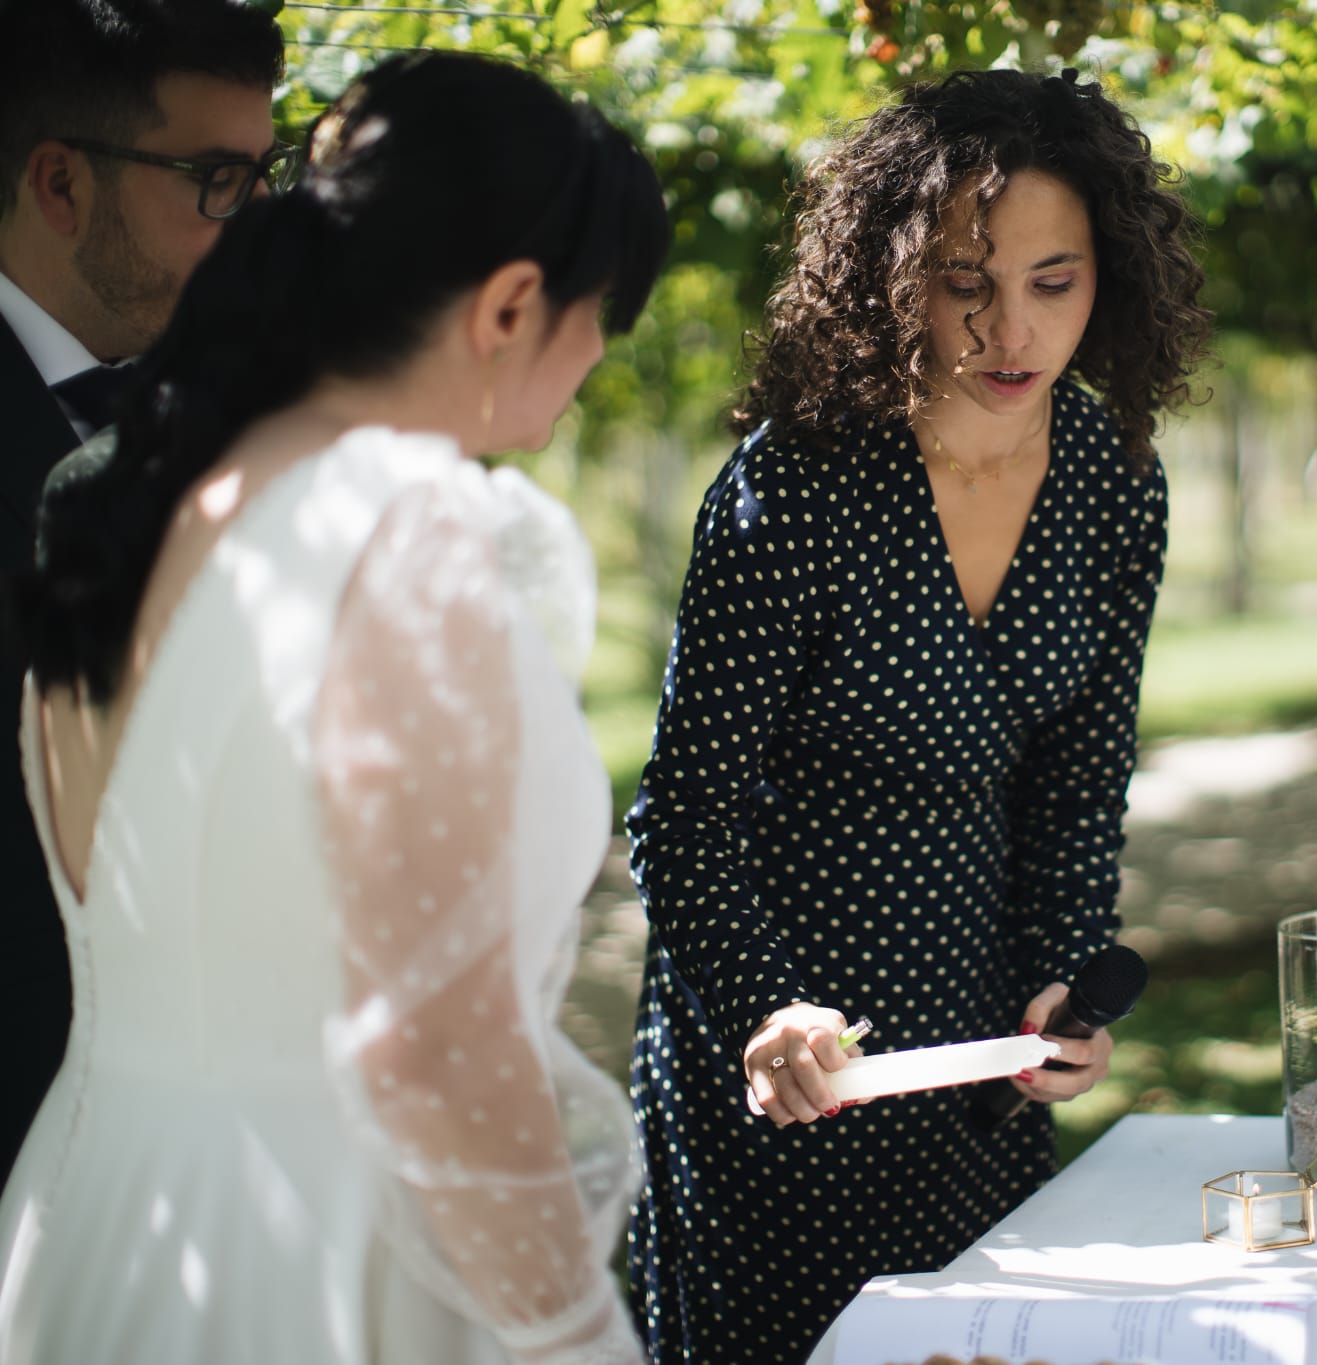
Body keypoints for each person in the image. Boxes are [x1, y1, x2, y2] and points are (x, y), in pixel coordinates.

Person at [0, 50, 669, 1365]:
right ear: (515, 303)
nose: (594, 359)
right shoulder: (410, 527)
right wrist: (579, 1336)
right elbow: (432, 1054)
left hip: (90, 1225)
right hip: (326, 1266)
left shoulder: (132, 511)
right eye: (605, 317)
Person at [626, 67, 1211, 1364]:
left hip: (980, 1063)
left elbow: (1080, 780)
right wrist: (768, 1016)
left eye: (1053, 283)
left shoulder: (1117, 488)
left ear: (1106, 278)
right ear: (895, 276)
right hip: (791, 1073)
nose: (1012, 332)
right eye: (966, 283)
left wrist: (1061, 977)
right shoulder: (801, 485)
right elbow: (685, 814)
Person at [0, 0, 285, 1187]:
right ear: (61, 184)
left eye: (261, 179)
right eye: (214, 182)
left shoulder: (252, 409)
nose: (254, 229)